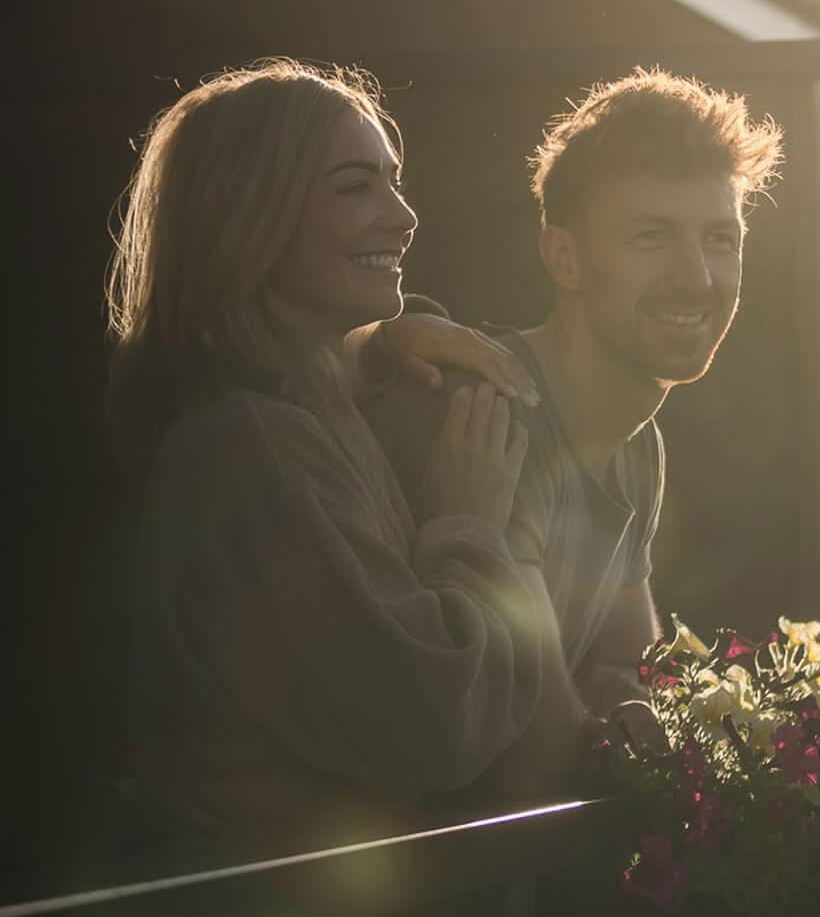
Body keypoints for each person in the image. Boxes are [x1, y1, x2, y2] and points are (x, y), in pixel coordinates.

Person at [106, 58, 558, 858]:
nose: (406, 215)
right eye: (355, 187)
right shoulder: (249, 447)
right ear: (248, 216)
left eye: (394, 179)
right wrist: (466, 526)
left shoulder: (313, 413)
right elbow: (435, 725)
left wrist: (386, 339)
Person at [363, 68, 782, 782]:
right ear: (565, 258)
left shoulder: (635, 443)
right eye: (652, 237)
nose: (698, 278)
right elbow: (542, 746)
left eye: (719, 239)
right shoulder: (481, 407)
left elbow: (626, 669)